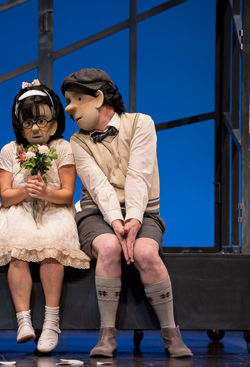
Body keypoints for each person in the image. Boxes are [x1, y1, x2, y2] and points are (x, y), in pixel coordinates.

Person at [61, 68, 192, 358]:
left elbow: (139, 175)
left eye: (76, 99)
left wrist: (133, 220)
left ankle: (171, 332)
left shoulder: (141, 123)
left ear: (98, 97)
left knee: (145, 253)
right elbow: (98, 187)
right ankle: (107, 334)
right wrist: (118, 224)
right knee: (108, 248)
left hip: (143, 211)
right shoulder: (77, 141)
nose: (69, 108)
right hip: (98, 213)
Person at [0, 80, 90, 353]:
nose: (35, 128)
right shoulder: (10, 151)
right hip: (18, 209)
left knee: (51, 247)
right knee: (18, 249)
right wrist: (25, 191)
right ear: (19, 123)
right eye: (29, 121)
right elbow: (6, 196)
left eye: (42, 121)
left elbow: (67, 194)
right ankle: (24, 321)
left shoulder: (63, 148)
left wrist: (44, 192)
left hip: (55, 210)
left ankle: (51, 322)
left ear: (54, 122)